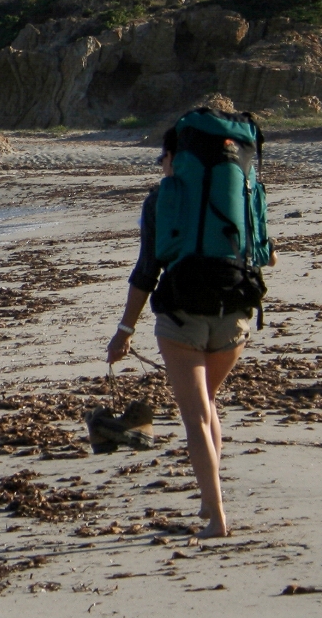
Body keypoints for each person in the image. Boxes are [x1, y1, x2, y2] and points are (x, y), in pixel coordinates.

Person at [105, 128, 254, 539]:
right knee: (207, 403)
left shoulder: (161, 199)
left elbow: (146, 272)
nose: (162, 167)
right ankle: (209, 498)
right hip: (236, 314)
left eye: (163, 159)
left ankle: (217, 519)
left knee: (195, 418)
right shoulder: (239, 193)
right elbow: (265, 253)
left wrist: (125, 330)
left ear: (174, 157)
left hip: (181, 318)